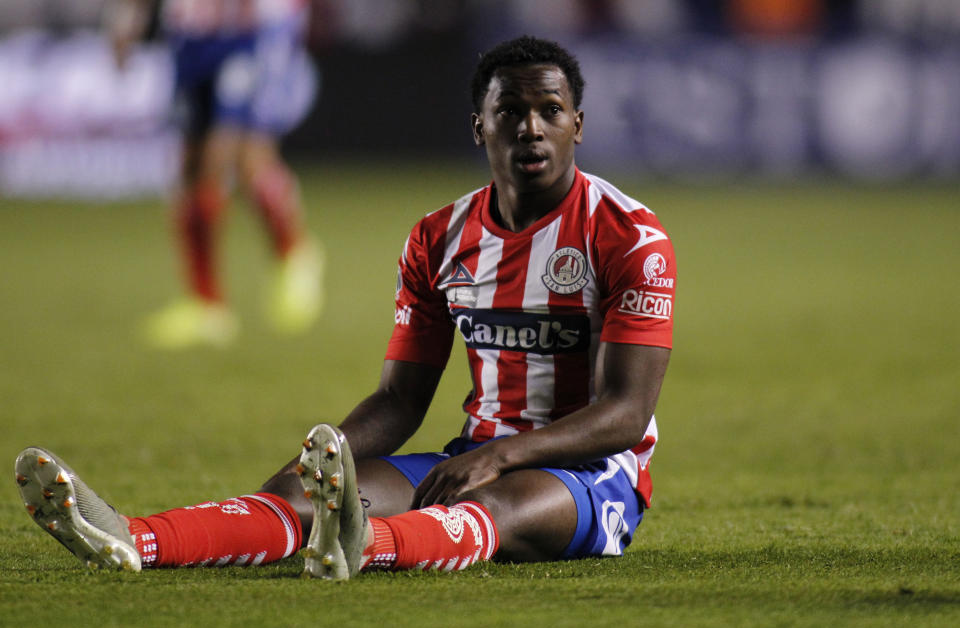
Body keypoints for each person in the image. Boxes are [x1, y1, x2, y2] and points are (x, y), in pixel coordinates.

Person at [15, 35, 675, 578]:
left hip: (594, 476)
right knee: (298, 498)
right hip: (476, 453)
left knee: (496, 507)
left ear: (577, 125)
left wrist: (499, 457)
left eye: (550, 111)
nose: (531, 128)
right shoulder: (439, 238)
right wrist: (313, 461)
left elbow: (624, 413)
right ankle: (135, 537)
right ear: (481, 127)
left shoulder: (628, 238)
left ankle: (365, 544)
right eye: (511, 112)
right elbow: (398, 400)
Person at [108, 0, 324, 348]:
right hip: (191, 36)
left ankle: (292, 251)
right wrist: (125, 25)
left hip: (249, 33)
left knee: (230, 156)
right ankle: (208, 306)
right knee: (190, 168)